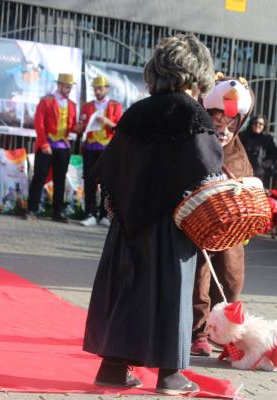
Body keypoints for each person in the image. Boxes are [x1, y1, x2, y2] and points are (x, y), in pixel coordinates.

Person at [83, 34, 222, 395]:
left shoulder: (137, 111)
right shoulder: (192, 112)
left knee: (126, 290)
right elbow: (206, 169)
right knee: (171, 293)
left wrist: (122, 207)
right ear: (196, 72)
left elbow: (109, 168)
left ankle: (112, 368)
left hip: (128, 222)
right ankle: (171, 375)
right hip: (171, 225)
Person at [191, 77, 254, 357]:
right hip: (200, 230)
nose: (224, 132)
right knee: (199, 280)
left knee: (230, 279)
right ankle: (198, 332)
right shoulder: (197, 146)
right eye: (218, 126)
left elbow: (249, 185)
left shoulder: (238, 154)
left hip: (231, 230)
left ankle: (226, 333)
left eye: (230, 126)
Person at [26, 73, 81, 222]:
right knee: (39, 177)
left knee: (60, 179)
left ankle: (58, 213)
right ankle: (31, 210)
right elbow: (39, 123)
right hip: (47, 144)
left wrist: (78, 128)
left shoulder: (72, 105)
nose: (68, 89)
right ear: (59, 85)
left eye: (70, 87)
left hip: (63, 145)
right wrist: (43, 143)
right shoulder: (46, 101)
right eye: (66, 86)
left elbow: (70, 127)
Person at [79, 76, 123, 227]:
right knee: (89, 180)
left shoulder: (115, 106)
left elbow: (119, 128)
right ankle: (89, 213)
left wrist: (107, 122)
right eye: (95, 89)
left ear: (106, 89)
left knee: (106, 182)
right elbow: (81, 126)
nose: (97, 91)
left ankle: (104, 214)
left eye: (100, 88)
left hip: (106, 148)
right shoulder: (87, 106)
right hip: (90, 146)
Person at [239, 114, 277, 187]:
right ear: (251, 124)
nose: (257, 125)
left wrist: (263, 165)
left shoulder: (268, 138)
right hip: (243, 172)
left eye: (261, 124)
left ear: (264, 126)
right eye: (255, 123)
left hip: (260, 174)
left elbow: (273, 155)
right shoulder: (242, 136)